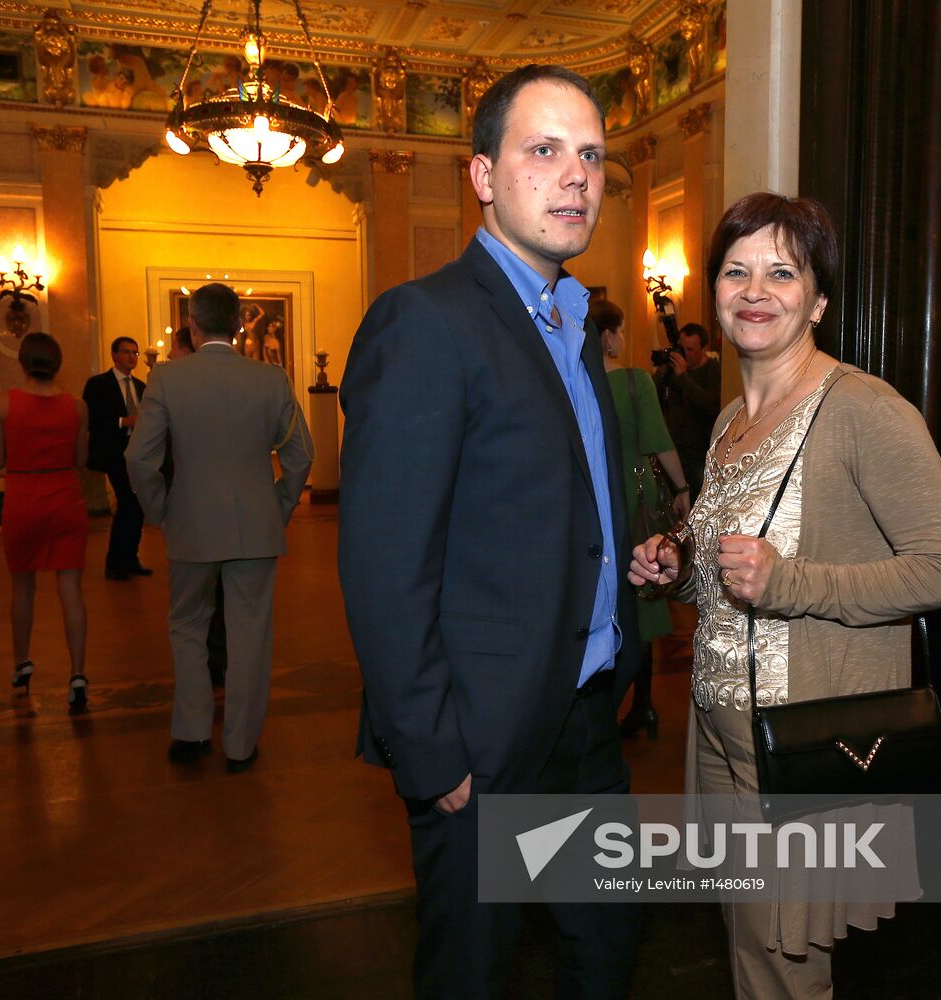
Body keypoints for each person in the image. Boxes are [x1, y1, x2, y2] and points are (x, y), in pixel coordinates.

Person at [339, 64, 641, 999]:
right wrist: (436, 756)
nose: (575, 177)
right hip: (483, 743)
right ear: (482, 177)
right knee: (474, 972)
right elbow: (387, 566)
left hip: (586, 720)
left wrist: (623, 568)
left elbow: (549, 510)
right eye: (543, 151)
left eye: (589, 155)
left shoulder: (573, 322)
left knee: (605, 954)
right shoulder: (426, 321)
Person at [629, 192, 941, 998]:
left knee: (788, 967)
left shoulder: (863, 409)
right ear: (713, 290)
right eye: (737, 270)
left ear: (818, 299)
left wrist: (790, 582)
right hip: (717, 738)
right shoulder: (727, 425)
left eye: (782, 272)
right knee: (753, 950)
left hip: (799, 743)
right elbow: (728, 574)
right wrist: (676, 568)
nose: (756, 289)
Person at [126, 283, 313, 772]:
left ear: (192, 324)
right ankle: (240, 745)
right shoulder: (271, 380)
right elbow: (301, 455)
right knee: (249, 631)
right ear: (237, 326)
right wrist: (280, 504)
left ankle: (191, 734)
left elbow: (140, 458)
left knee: (187, 624)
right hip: (256, 524)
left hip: (189, 520)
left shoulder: (166, 379)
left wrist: (159, 510)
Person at [589, 297, 689, 740]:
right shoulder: (636, 382)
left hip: (592, 501)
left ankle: (600, 708)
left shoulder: (572, 382)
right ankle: (642, 705)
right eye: (622, 331)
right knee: (644, 600)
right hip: (636, 498)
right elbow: (658, 442)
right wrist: (684, 489)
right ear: (608, 336)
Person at [0, 333, 90, 710]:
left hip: (23, 500)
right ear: (59, 362)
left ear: (22, 361)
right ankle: (77, 674)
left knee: (23, 588)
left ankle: (22, 662)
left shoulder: (2, 405)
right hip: (66, 498)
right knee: (71, 589)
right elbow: (82, 459)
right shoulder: (76, 408)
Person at [165, 325, 227, 687]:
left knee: (190, 610)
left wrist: (159, 508)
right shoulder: (239, 384)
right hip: (233, 512)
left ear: (189, 348)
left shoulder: (171, 386)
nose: (170, 355)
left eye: (174, 347)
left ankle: (198, 684)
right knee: (224, 597)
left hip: (189, 512)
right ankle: (219, 664)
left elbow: (147, 456)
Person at [83, 336, 150, 581]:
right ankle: (115, 563)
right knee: (128, 503)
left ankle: (130, 558)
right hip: (113, 453)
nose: (132, 357)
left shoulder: (142, 387)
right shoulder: (98, 384)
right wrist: (124, 421)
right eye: (126, 352)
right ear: (114, 355)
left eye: (135, 352)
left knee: (137, 506)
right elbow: (91, 419)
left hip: (136, 454)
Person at [651, 321, 721, 503]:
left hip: (699, 455)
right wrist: (661, 372)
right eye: (682, 348)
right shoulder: (672, 370)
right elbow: (651, 398)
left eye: (690, 349)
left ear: (704, 349)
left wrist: (683, 377)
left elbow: (709, 404)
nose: (684, 354)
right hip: (675, 451)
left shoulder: (714, 371)